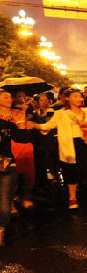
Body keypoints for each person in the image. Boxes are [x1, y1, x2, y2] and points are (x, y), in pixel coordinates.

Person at [26, 88, 87, 210]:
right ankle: (72, 198)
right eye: (75, 96)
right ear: (67, 98)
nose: (79, 99)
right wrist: (35, 125)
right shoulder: (61, 113)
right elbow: (48, 126)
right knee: (70, 170)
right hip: (69, 144)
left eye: (80, 96)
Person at [0, 89, 32, 245]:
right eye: (4, 97)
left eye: (9, 97)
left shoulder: (15, 116)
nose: (9, 99)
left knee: (6, 196)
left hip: (8, 160)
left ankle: (1, 230)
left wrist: (21, 126)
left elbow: (22, 138)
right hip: (6, 159)